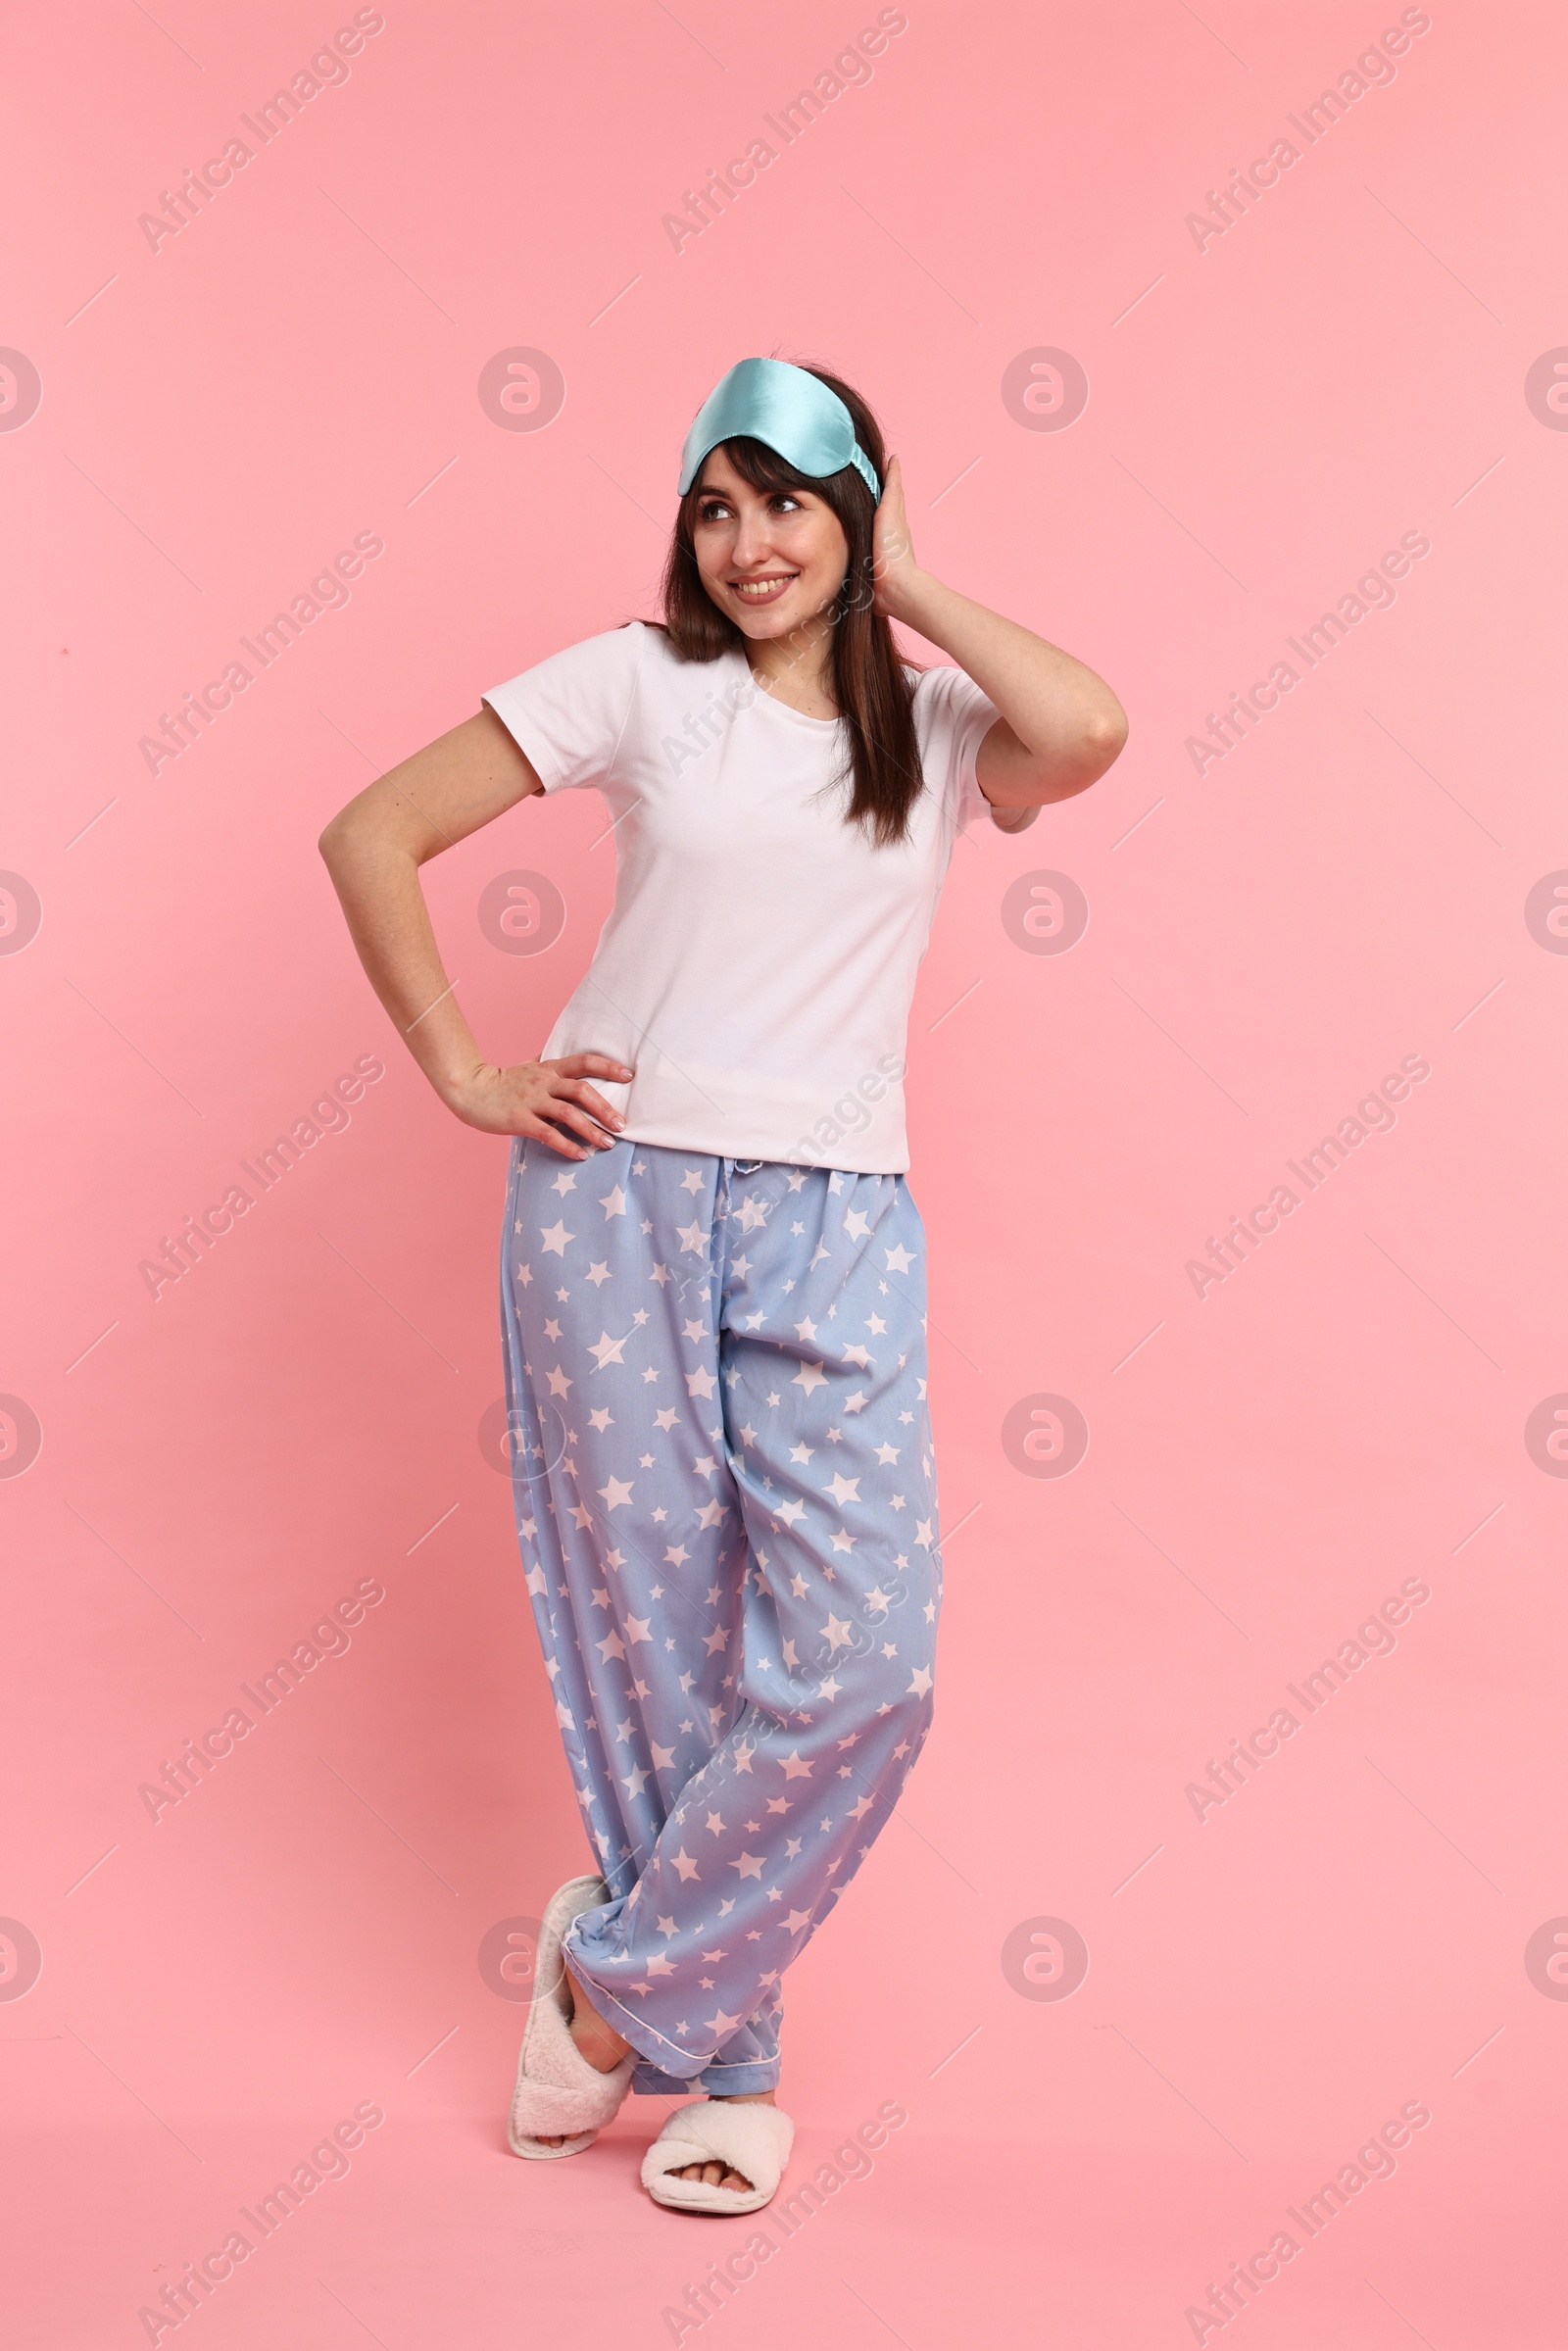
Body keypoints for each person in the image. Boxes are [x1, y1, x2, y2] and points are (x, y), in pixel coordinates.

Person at [318, 355, 1126, 2214]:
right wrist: (463, 1067)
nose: (750, 543)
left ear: (860, 506)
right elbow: (371, 831)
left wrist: (911, 585)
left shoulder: (927, 734)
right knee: (667, 1646)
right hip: (613, 1199)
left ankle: (607, 2001)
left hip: (838, 1208)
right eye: (716, 504)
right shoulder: (641, 681)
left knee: (863, 1663)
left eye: (790, 501)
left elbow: (1085, 731)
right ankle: (732, 2072)